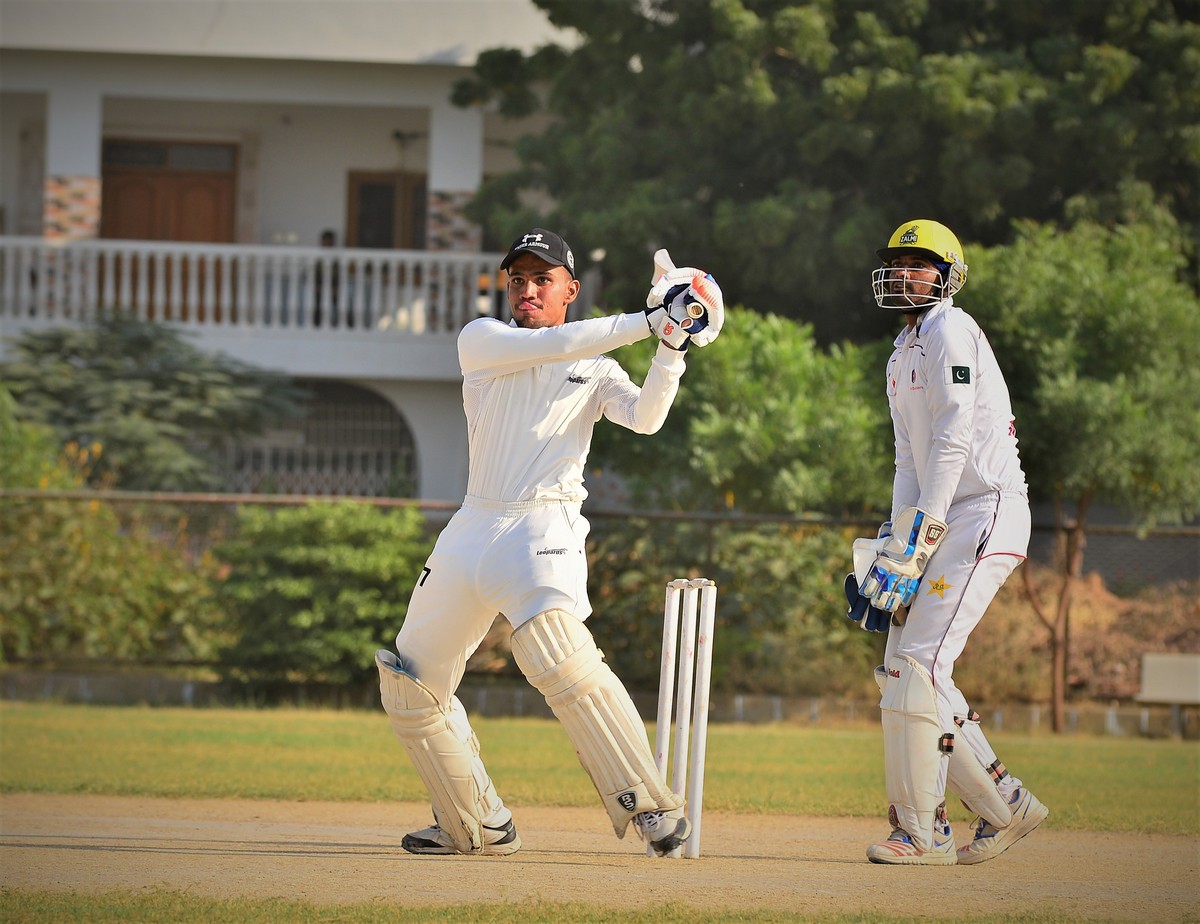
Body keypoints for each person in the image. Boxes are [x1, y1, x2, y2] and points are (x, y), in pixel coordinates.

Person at [374, 227, 723, 857]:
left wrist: (671, 346)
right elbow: (558, 344)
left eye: (543, 279)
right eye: (518, 280)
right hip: (473, 522)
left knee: (555, 652)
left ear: (571, 289)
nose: (527, 290)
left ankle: (649, 805)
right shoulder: (483, 339)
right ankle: (474, 822)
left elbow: (646, 419)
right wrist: (651, 321)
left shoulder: (599, 366)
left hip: (543, 524)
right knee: (410, 682)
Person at [846, 219, 1048, 866]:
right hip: (940, 519)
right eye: (898, 263)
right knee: (900, 671)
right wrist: (897, 535)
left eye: (920, 264)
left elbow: (956, 437)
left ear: (948, 276)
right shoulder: (902, 353)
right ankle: (1004, 803)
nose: (905, 273)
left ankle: (925, 830)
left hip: (985, 510)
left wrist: (924, 532)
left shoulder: (951, 331)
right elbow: (909, 457)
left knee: (921, 665)